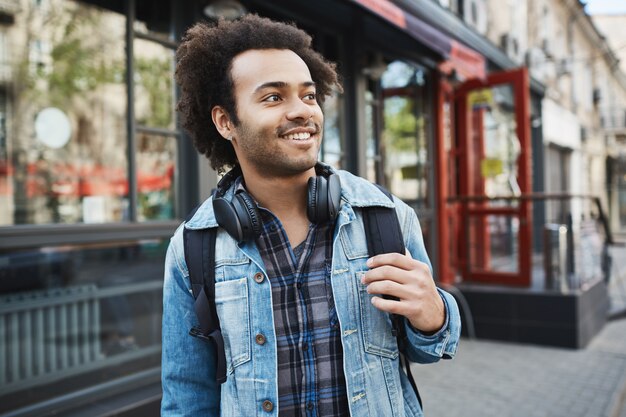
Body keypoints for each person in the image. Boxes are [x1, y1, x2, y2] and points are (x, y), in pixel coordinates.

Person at [162, 14, 461, 417]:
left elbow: (430, 349)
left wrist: (435, 314)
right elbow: (187, 396)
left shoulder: (385, 217)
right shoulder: (192, 247)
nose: (303, 111)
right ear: (225, 121)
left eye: (308, 96)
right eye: (273, 97)